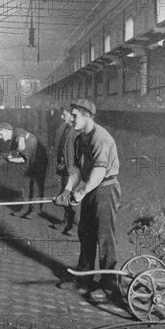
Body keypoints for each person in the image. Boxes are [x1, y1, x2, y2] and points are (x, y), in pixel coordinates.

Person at [53, 99, 121, 303]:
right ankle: (84, 277)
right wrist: (66, 191)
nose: (70, 119)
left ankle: (110, 285)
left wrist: (81, 192)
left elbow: (99, 172)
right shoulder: (79, 138)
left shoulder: (100, 138)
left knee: (105, 236)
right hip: (91, 189)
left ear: (87, 116)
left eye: (74, 115)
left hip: (105, 189)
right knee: (85, 231)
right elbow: (75, 170)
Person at [0, 122, 47, 219]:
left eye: (0, 134)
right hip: (30, 160)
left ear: (6, 131)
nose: (0, 137)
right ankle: (25, 208)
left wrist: (14, 153)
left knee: (35, 185)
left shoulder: (18, 131)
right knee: (26, 185)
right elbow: (23, 158)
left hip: (40, 159)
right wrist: (12, 160)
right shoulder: (12, 141)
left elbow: (22, 147)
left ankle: (36, 210)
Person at [51, 105, 79, 235]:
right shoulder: (66, 128)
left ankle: (75, 226)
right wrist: (60, 162)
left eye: (64, 114)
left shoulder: (77, 130)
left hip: (74, 169)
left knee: (73, 196)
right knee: (64, 194)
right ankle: (66, 222)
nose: (62, 117)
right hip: (65, 167)